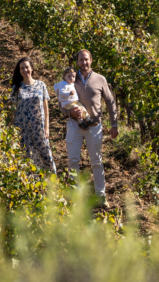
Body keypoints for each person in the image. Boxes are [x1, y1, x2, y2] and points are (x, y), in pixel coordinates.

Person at [65, 49, 119, 204]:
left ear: (91, 60)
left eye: (86, 59)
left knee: (96, 161)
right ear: (77, 62)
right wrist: (70, 112)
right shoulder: (70, 79)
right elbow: (62, 103)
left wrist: (114, 124)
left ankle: (100, 195)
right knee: (73, 161)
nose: (84, 62)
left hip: (94, 126)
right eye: (81, 60)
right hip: (75, 125)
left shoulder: (100, 79)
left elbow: (110, 101)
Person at [10, 57, 57, 174]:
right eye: (22, 68)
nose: (25, 70)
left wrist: (47, 128)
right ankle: (32, 183)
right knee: (27, 158)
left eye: (27, 67)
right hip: (23, 129)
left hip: (39, 128)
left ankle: (52, 182)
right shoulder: (16, 88)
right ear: (19, 71)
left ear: (32, 68)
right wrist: (12, 130)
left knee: (46, 156)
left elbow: (46, 109)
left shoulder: (41, 85)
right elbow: (13, 111)